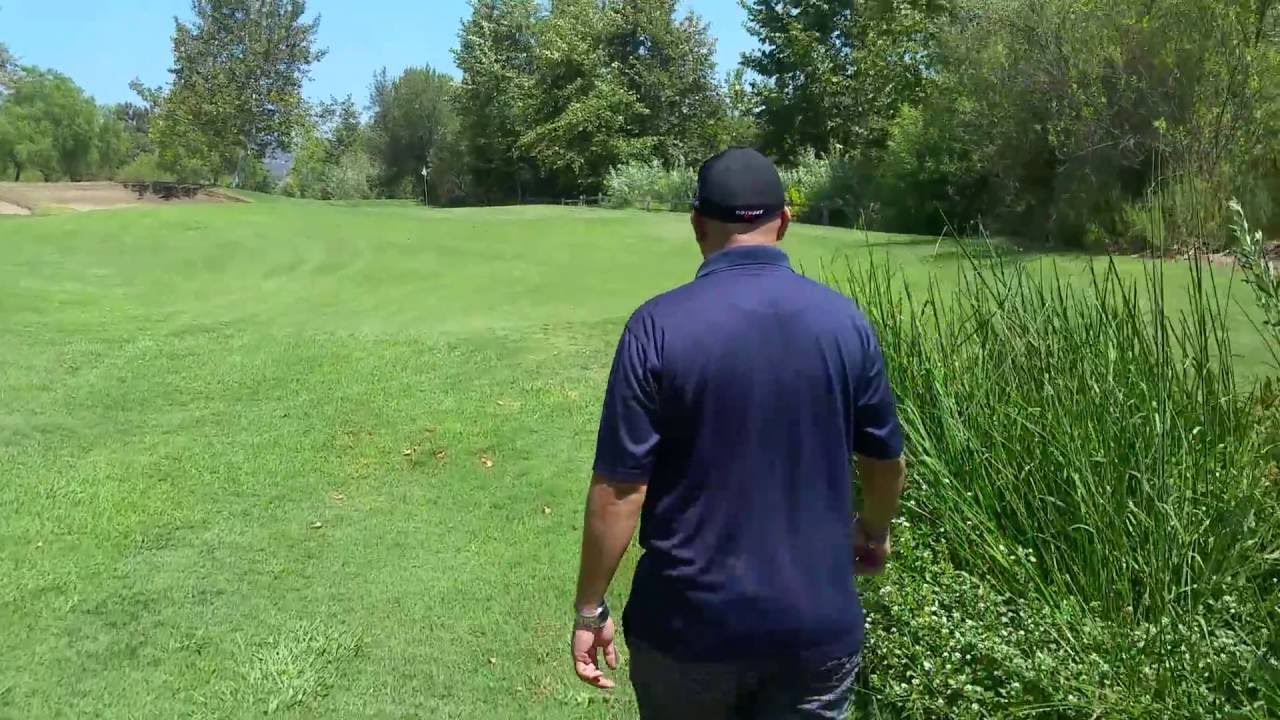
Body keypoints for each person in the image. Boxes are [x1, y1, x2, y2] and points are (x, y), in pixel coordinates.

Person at [570, 147, 907, 719]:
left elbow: (620, 491)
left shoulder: (656, 327)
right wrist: (872, 529)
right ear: (785, 222)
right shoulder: (844, 322)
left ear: (698, 226)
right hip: (814, 628)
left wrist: (589, 608)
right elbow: (884, 462)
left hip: (687, 630)